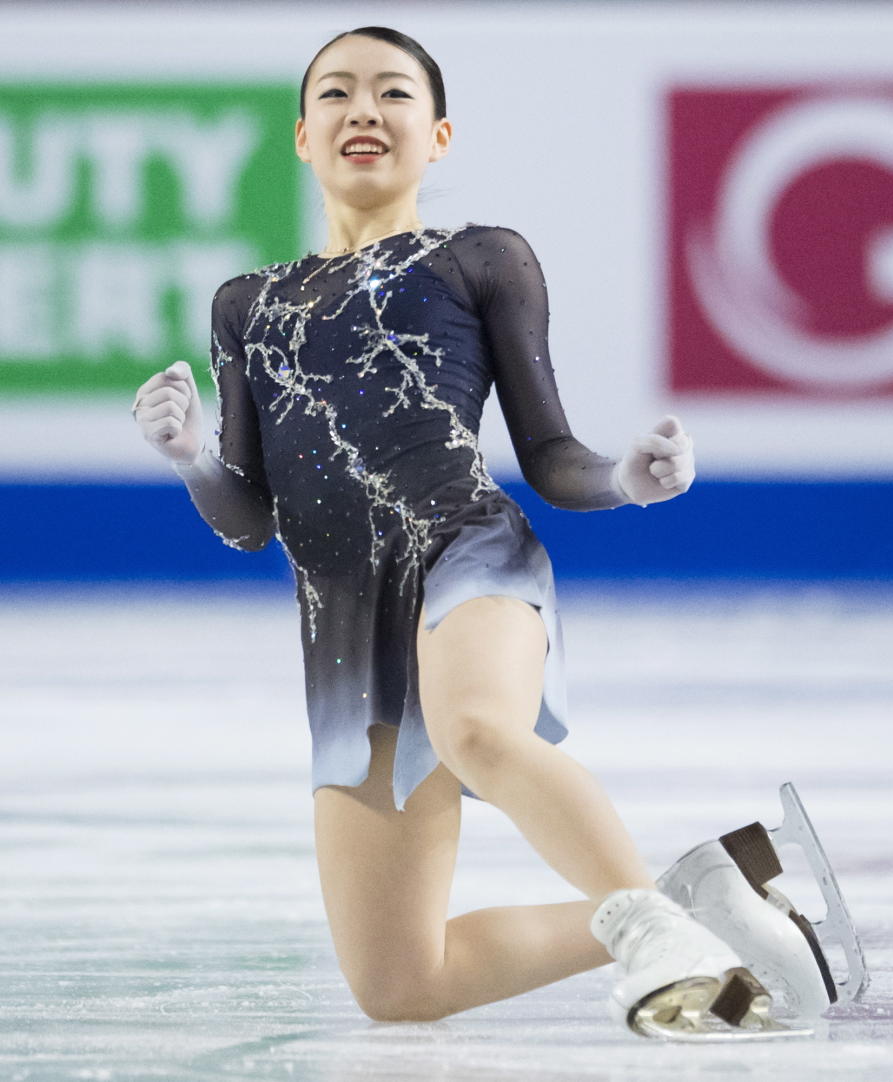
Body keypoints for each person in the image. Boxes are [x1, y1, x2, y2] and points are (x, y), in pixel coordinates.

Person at [131, 26, 782, 1039]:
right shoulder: (246, 307)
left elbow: (552, 452)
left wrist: (624, 478)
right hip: (347, 627)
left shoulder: (482, 259)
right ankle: (695, 908)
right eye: (337, 94)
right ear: (303, 137)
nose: (363, 110)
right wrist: (188, 457)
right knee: (399, 980)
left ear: (436, 135)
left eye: (393, 93)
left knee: (481, 730)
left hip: (467, 554)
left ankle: (662, 933)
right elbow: (249, 516)